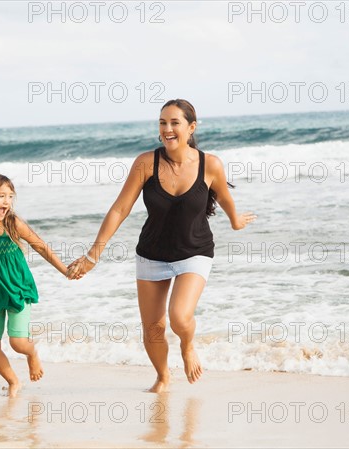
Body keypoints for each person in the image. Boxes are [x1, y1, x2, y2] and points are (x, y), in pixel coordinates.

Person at [68, 99, 256, 393]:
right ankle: (163, 376)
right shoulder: (146, 163)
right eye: (162, 123)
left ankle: (188, 344)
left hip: (195, 251)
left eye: (174, 123)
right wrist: (94, 255)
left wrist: (235, 220)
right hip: (152, 253)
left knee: (180, 317)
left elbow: (224, 198)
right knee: (153, 329)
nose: (167, 129)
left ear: (191, 127)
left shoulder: (211, 165)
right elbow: (120, 209)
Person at [0, 173, 70, 397]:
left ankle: (32, 353)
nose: (7, 201)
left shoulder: (13, 223)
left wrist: (64, 270)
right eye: (0, 196)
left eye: (10, 196)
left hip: (18, 289)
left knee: (18, 343)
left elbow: (41, 247)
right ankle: (13, 381)